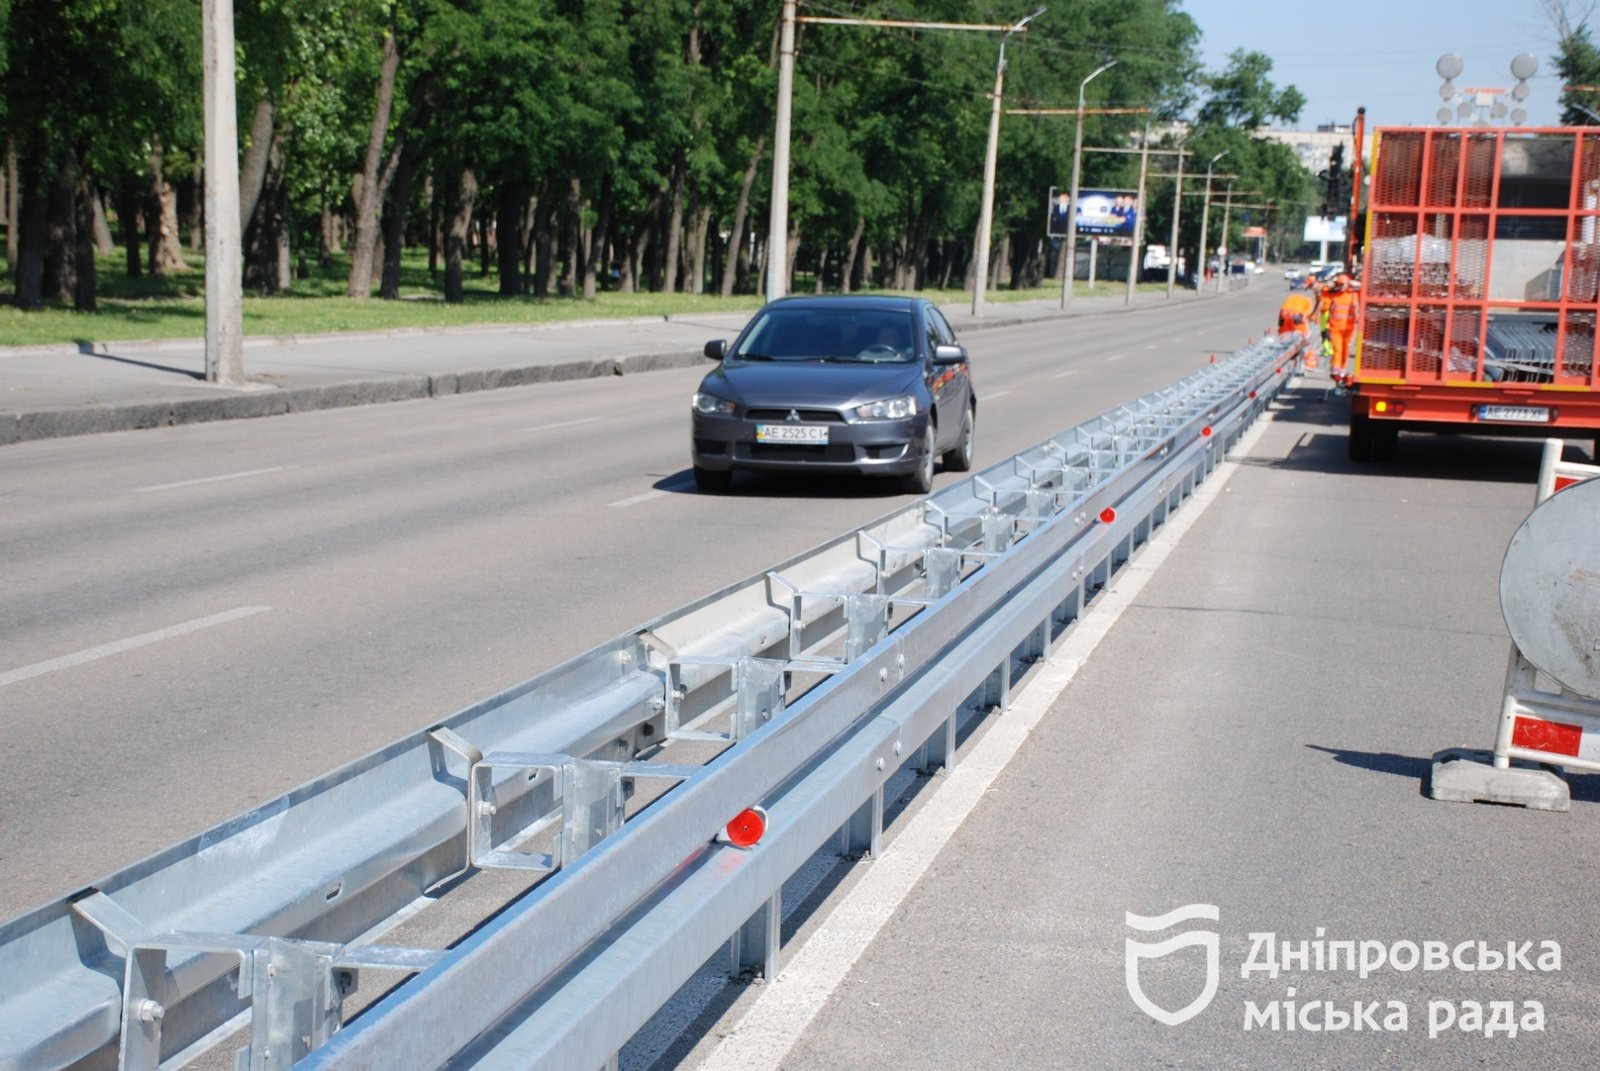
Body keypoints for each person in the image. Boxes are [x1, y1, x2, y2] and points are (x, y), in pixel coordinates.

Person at [1324, 273, 1360, 386]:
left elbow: (1364, 288)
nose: (1341, 286)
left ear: (1347, 284)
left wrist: (1352, 283)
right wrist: (1329, 284)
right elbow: (1323, 291)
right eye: (1339, 284)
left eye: (1343, 284)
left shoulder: (1353, 294)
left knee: (1346, 350)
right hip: (1335, 328)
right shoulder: (1333, 295)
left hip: (1349, 329)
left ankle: (1342, 368)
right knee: (1337, 350)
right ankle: (1336, 369)